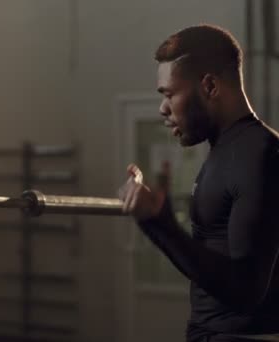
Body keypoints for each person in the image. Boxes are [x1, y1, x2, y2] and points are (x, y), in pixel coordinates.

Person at [119, 24, 279, 342]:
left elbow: (246, 290)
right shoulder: (227, 151)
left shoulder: (258, 154)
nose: (163, 109)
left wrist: (160, 225)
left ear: (209, 86)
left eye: (169, 94)